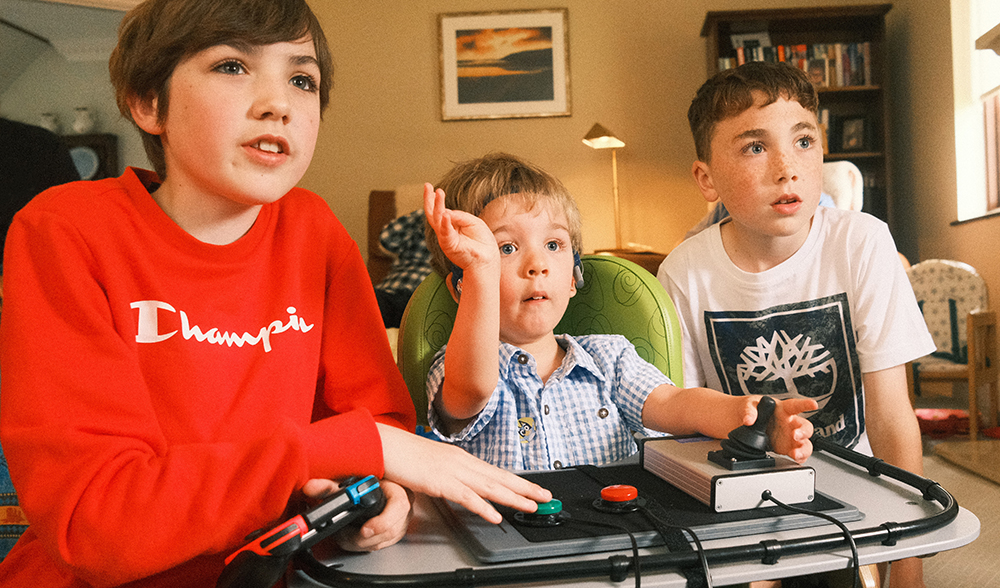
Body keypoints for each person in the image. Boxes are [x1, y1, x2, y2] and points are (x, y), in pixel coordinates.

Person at [0, 1, 550, 586]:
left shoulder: (314, 229)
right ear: (148, 102)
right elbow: (97, 523)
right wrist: (344, 451)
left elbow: (374, 425)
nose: (278, 104)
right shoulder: (65, 229)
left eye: (301, 79)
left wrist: (380, 491)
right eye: (232, 66)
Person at [656, 61, 935, 588]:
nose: (787, 167)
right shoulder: (684, 272)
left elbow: (892, 414)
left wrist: (909, 561)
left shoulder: (863, 242)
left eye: (803, 140)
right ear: (706, 178)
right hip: (741, 490)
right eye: (754, 147)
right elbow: (686, 424)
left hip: (854, 493)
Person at [421, 152, 817, 472]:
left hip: (620, 549)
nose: (536, 265)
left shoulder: (608, 358)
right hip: (511, 558)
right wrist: (481, 271)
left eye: (554, 245)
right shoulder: (453, 367)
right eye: (506, 248)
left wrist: (744, 414)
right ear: (461, 286)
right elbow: (472, 390)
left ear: (574, 278)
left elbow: (676, 404)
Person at [374, 209, 433, 328]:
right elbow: (386, 239)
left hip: (421, 303)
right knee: (358, 298)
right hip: (390, 291)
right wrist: (426, 213)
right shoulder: (420, 227)